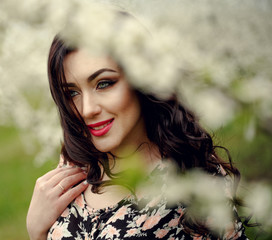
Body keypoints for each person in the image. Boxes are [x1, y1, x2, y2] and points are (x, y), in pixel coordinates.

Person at [26, 13, 247, 240]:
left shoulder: (189, 181)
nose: (86, 109)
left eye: (104, 84)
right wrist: (36, 230)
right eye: (72, 93)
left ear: (141, 79)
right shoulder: (76, 162)